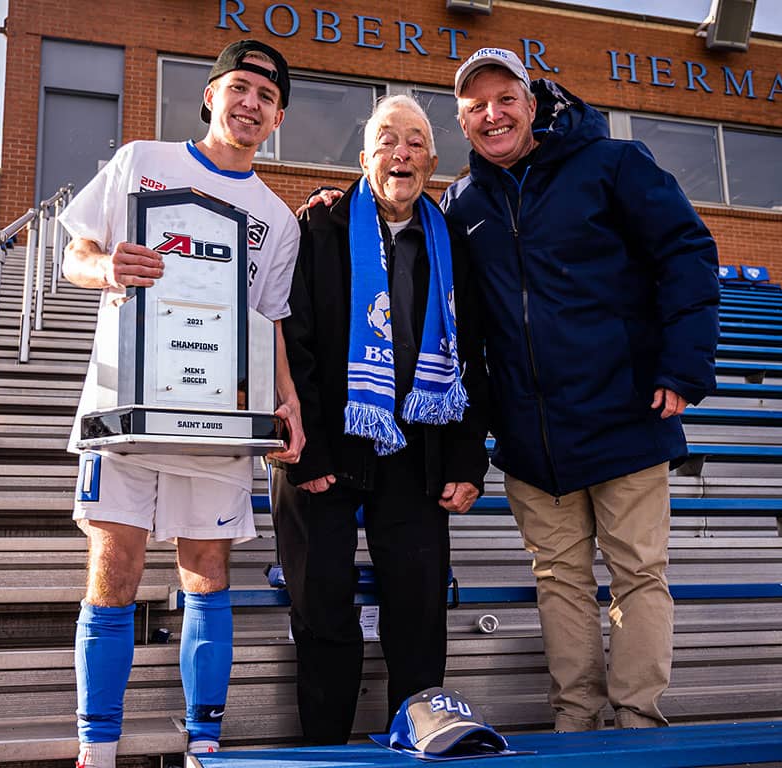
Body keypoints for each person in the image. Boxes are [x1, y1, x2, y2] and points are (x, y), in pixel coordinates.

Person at [441, 48, 720, 731]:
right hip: (533, 437)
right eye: (476, 106)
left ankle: (636, 725)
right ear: (462, 121)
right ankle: (576, 723)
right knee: (560, 584)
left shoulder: (613, 164)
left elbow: (686, 252)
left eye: (505, 98)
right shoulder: (463, 201)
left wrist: (682, 367)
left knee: (638, 578)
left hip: (625, 415)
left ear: (532, 106)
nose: (492, 114)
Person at [57, 40, 304, 767]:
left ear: (279, 115)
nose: (250, 102)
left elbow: (270, 321)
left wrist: (287, 400)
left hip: (216, 419)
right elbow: (75, 253)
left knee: (208, 573)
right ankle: (95, 751)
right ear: (210, 96)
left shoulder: (276, 219)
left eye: (265, 95)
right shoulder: (141, 160)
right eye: (238, 87)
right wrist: (104, 266)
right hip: (124, 409)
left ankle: (205, 742)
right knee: (114, 569)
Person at [271, 94, 489, 745]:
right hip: (325, 450)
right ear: (364, 157)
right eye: (388, 140)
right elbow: (292, 345)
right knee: (324, 612)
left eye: (416, 142)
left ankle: (421, 742)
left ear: (433, 161)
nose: (402, 153)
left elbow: (471, 354)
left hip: (417, 454)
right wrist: (302, 455)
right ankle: (326, 751)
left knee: (420, 616)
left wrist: (465, 460)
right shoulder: (318, 229)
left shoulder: (453, 242)